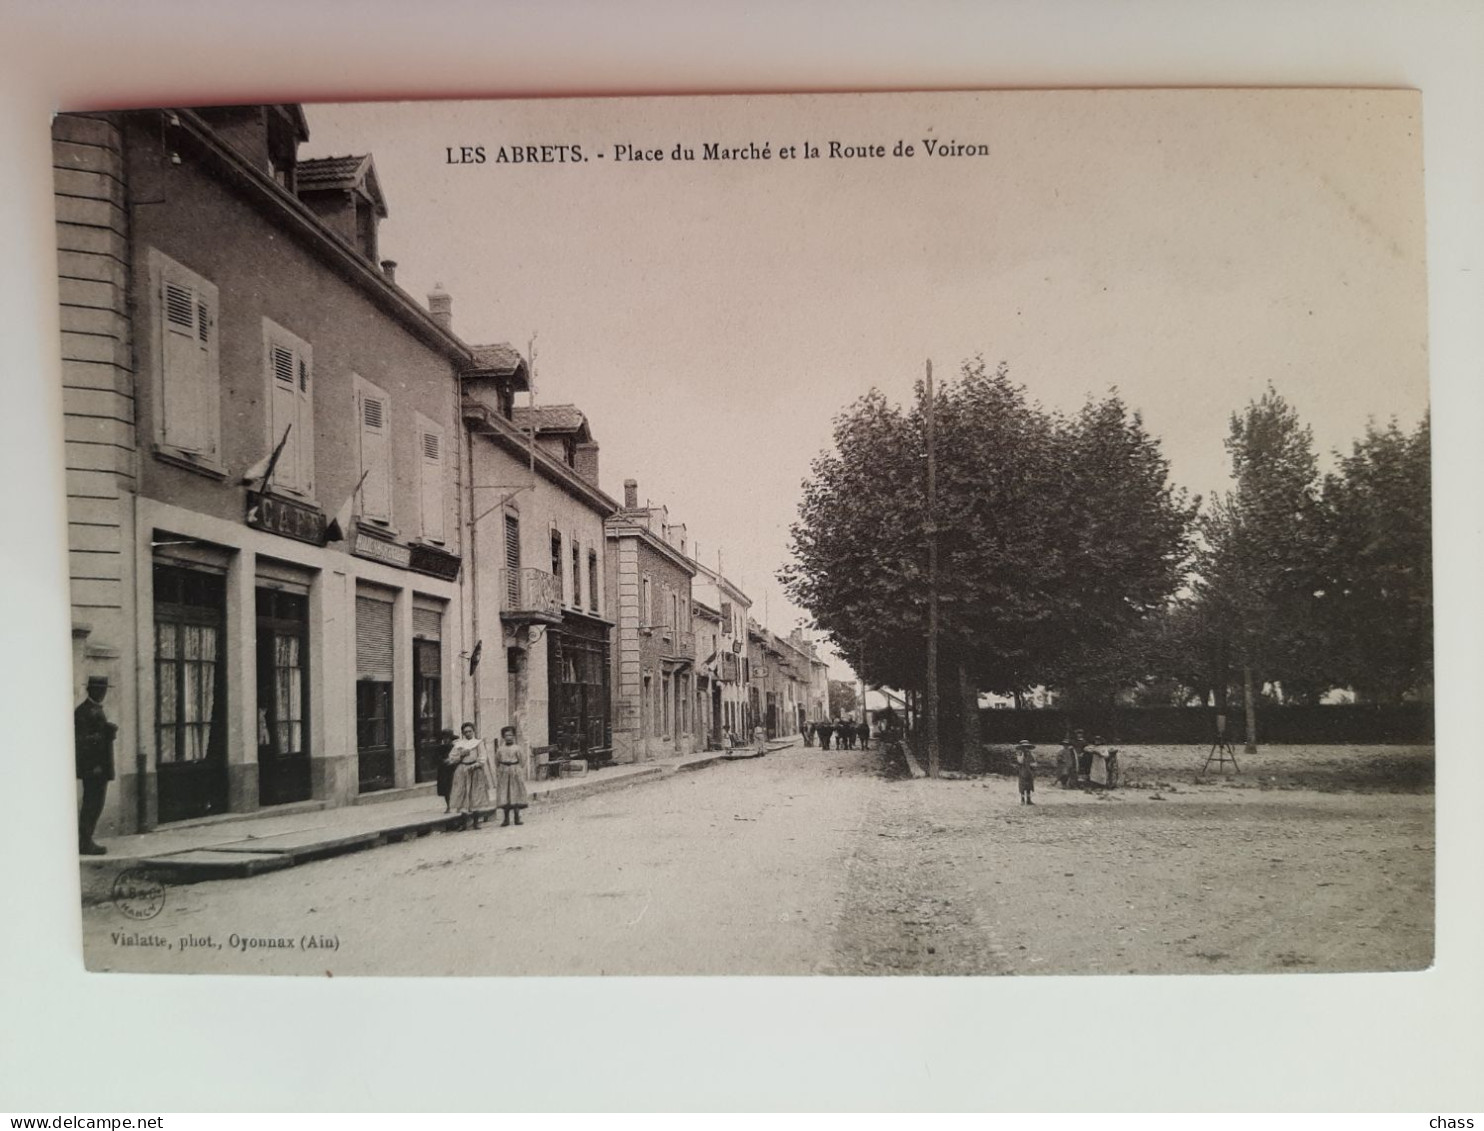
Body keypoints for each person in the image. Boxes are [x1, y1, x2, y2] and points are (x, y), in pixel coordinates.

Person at [74, 675, 117, 855]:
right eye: (100, 689)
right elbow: (82, 741)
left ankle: (86, 839)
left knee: (96, 804)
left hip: (100, 766)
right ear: (91, 690)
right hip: (94, 768)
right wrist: (105, 734)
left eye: (104, 690)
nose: (102, 693)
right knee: (92, 804)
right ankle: (84, 841)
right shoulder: (83, 711)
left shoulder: (95, 709)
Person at [446, 723, 492, 830]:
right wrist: (461, 755)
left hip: (475, 770)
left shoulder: (478, 743)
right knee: (462, 794)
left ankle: (476, 822)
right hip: (462, 770)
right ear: (462, 733)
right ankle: (464, 823)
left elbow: (483, 757)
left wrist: (476, 765)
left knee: (475, 794)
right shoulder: (459, 744)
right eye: (465, 732)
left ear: (473, 731)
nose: (468, 733)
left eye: (470, 731)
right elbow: (452, 758)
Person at [493, 725, 531, 826]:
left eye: (510, 735)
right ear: (503, 737)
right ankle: (506, 818)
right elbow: (497, 761)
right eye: (506, 735)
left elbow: (522, 761)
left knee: (515, 793)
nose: (508, 737)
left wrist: (517, 770)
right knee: (505, 794)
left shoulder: (517, 748)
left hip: (515, 771)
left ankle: (517, 817)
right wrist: (501, 770)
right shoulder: (500, 749)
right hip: (504, 772)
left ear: (514, 736)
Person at [435, 728, 457, 813]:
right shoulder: (440, 748)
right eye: (444, 738)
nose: (446, 740)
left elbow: (458, 758)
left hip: (453, 770)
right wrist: (442, 761)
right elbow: (435, 758)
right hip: (443, 771)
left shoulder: (455, 747)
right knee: (446, 789)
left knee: (454, 787)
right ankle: (448, 806)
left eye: (448, 738)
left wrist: (452, 761)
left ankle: (456, 805)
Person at [1015, 739, 1037, 805]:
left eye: (1027, 747)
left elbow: (1035, 763)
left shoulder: (1031, 755)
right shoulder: (1020, 754)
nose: (1026, 749)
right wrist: (1023, 755)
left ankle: (1029, 800)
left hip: (1029, 772)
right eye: (1024, 747)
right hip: (1022, 772)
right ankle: (1022, 800)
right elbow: (1020, 761)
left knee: (1029, 786)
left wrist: (1033, 765)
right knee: (1022, 786)